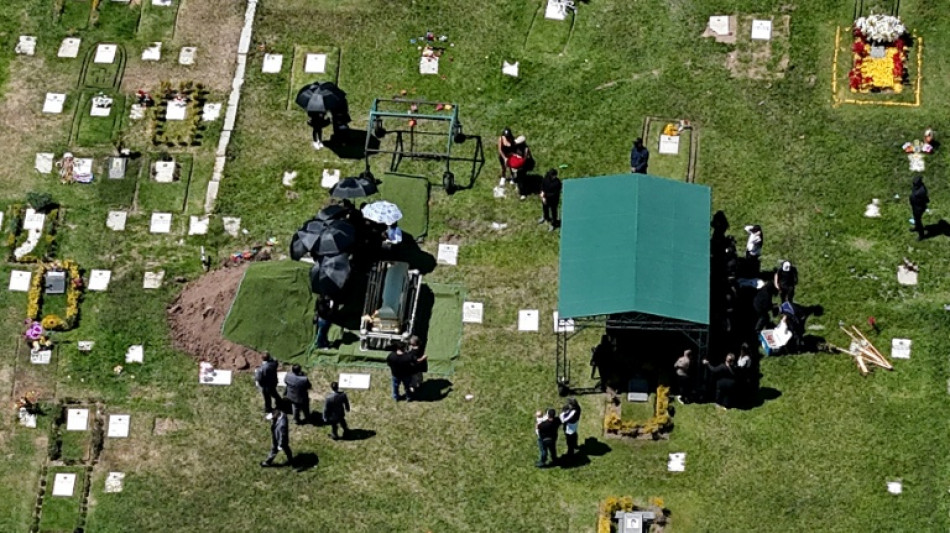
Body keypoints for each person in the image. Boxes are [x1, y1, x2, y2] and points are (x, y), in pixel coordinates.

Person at [509, 135, 534, 200]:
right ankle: (514, 179)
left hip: (523, 165)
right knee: (512, 168)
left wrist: (519, 158)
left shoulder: (525, 149)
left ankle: (523, 193)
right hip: (516, 162)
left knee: (521, 179)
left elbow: (525, 159)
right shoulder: (516, 146)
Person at [910, 175, 929, 240]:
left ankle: (921, 235)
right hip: (915, 206)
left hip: (919, 208)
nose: (914, 184)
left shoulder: (922, 191)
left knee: (918, 221)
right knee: (915, 218)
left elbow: (925, 200)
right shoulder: (916, 187)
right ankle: (916, 227)